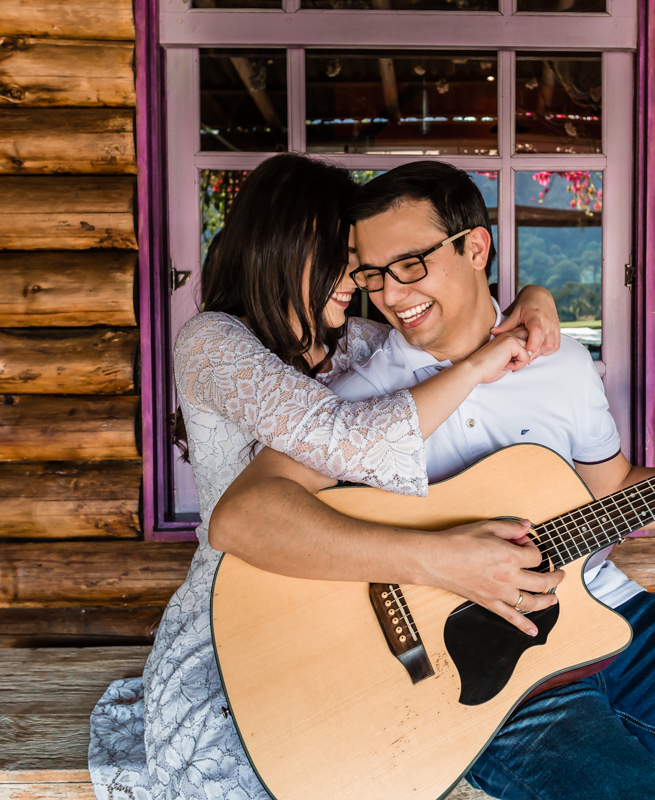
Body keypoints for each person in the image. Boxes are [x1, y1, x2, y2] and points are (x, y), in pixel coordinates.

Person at [210, 161, 655, 800]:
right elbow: (246, 517)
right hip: (474, 673)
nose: (391, 294)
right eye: (371, 275)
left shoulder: (562, 363)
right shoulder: (357, 392)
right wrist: (447, 560)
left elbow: (613, 495)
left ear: (475, 249)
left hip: (611, 614)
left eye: (411, 265)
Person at [86, 153, 566, 800]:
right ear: (284, 245)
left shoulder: (357, 342)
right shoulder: (212, 341)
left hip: (348, 607)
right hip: (235, 614)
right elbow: (343, 440)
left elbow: (453, 325)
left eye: (360, 263)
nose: (359, 278)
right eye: (343, 257)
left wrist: (534, 299)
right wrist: (481, 366)